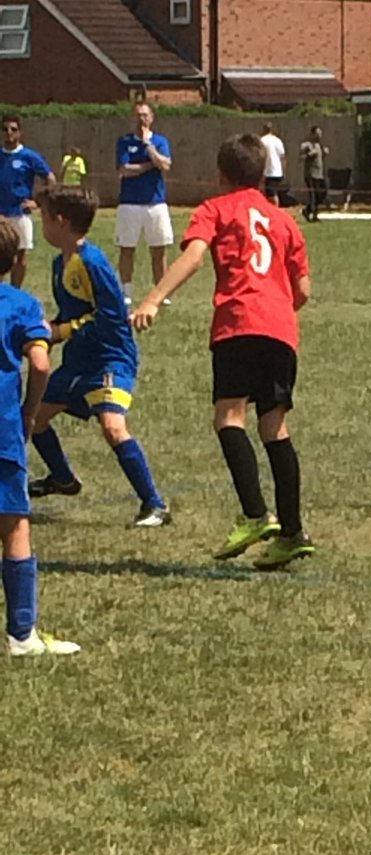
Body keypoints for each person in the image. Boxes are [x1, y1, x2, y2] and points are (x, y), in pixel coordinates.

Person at [131, 134, 315, 570]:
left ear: (222, 174)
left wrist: (153, 298)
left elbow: (194, 257)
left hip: (238, 322)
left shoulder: (215, 209)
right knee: (275, 428)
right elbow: (303, 289)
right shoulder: (284, 220)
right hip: (281, 328)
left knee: (229, 417)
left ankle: (255, 515)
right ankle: (292, 532)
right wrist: (279, 307)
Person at [28, 185, 171, 528]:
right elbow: (71, 311)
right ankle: (63, 479)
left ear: (60, 222)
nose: (41, 223)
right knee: (34, 418)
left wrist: (61, 332)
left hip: (110, 358)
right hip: (79, 360)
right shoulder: (58, 263)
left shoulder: (92, 262)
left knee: (113, 427)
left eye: (44, 217)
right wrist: (44, 336)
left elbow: (110, 316)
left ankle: (155, 505)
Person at [0, 218, 80, 656]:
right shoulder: (22, 304)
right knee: (14, 525)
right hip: (3, 427)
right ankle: (22, 634)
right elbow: (43, 364)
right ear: (14, 261)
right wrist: (31, 411)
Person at [115, 100, 174, 305]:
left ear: (152, 117)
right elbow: (124, 170)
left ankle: (161, 292)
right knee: (127, 248)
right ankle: (126, 291)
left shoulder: (159, 141)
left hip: (155, 203)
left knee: (159, 249)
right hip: (129, 203)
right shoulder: (124, 142)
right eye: (138, 115)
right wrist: (150, 166)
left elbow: (165, 164)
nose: (142, 119)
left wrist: (151, 151)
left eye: (145, 115)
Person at [0, 114, 54, 288]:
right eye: (5, 129)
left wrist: (39, 202)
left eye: (13, 129)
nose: (9, 133)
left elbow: (50, 178)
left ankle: (16, 290)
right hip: (1, 214)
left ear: (20, 132)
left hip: (20, 213)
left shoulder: (29, 156)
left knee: (20, 255)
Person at [300, 126, 328, 222]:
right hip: (310, 174)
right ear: (312, 134)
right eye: (317, 134)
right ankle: (313, 215)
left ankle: (307, 210)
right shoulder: (306, 145)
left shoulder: (319, 145)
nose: (319, 136)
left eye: (320, 134)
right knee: (313, 195)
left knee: (321, 194)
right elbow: (301, 158)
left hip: (319, 174)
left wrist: (324, 153)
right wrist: (309, 154)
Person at [260, 122, 286, 206]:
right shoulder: (278, 140)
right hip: (277, 171)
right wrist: (283, 170)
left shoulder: (262, 140)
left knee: (270, 194)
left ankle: (275, 211)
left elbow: (260, 156)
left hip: (268, 172)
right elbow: (283, 157)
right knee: (272, 193)